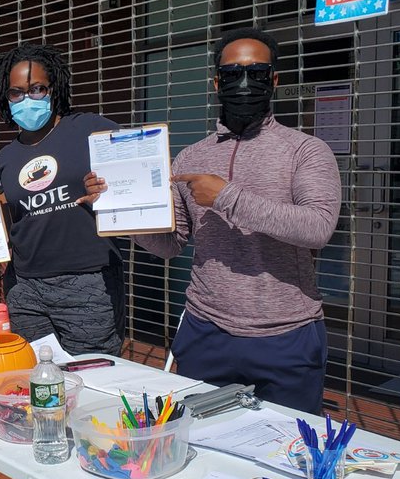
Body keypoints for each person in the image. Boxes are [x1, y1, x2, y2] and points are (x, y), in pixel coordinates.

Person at [123, 27, 340, 414]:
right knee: (201, 440)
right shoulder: (191, 157)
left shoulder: (306, 150)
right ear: (216, 82)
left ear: (274, 80)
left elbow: (318, 227)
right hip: (206, 329)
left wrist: (226, 196)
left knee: (286, 443)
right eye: (232, 74)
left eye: (256, 73)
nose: (244, 83)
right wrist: (121, 213)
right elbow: (170, 245)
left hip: (286, 333)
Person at [0, 42, 123, 356]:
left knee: (93, 374)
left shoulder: (90, 129)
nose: (27, 99)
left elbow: (137, 171)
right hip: (26, 288)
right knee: (36, 375)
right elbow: (5, 222)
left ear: (54, 89)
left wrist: (110, 191)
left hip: (88, 283)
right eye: (16, 93)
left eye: (37, 89)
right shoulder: (5, 159)